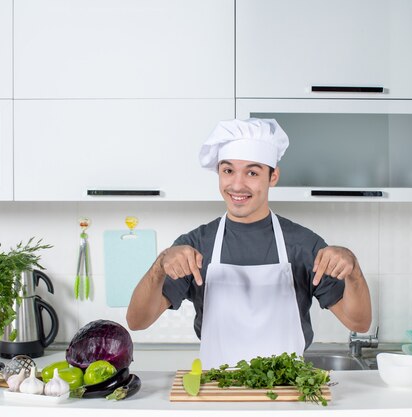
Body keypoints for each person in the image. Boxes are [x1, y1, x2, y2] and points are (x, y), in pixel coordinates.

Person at [126, 118, 372, 368]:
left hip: (287, 389)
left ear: (273, 176)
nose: (237, 185)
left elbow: (359, 323)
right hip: (218, 388)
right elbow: (137, 321)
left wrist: (354, 270)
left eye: (252, 172)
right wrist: (159, 265)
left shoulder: (303, 245)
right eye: (228, 171)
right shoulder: (195, 246)